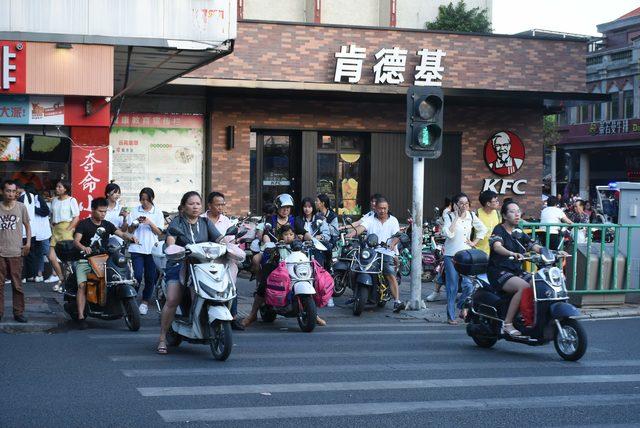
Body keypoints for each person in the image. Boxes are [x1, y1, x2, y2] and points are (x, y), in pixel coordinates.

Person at [157, 191, 222, 353]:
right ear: (184, 206)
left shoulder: (206, 222)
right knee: (172, 299)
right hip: (178, 265)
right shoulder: (177, 223)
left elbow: (220, 239)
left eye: (198, 204)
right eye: (191, 204)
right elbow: (170, 240)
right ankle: (162, 337)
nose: (195, 207)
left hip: (202, 266)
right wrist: (172, 248)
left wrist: (231, 243)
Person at [73, 197, 137, 329]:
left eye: (105, 211)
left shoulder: (107, 225)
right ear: (93, 210)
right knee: (82, 286)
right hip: (85, 260)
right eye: (101, 211)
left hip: (105, 260)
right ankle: (80, 316)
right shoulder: (83, 224)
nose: (103, 214)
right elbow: (76, 241)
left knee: (119, 279)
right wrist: (84, 248)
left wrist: (131, 238)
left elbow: (122, 234)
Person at [488, 200, 549, 337]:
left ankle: (528, 317)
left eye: (518, 211)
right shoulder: (499, 229)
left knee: (537, 283)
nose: (517, 214)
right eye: (512, 211)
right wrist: (511, 253)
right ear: (504, 215)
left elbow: (532, 246)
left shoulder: (518, 231)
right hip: (499, 271)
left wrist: (549, 252)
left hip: (515, 271)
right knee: (523, 287)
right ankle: (507, 323)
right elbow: (497, 246)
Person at [347, 197, 405, 313]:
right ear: (375, 208)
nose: (382, 211)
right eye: (380, 208)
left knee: (389, 273)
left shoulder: (393, 220)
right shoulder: (370, 219)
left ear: (388, 208)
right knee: (354, 269)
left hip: (386, 252)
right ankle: (356, 294)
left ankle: (396, 301)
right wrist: (350, 235)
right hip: (371, 252)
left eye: (384, 208)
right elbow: (361, 228)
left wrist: (392, 245)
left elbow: (397, 236)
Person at [442, 193, 487, 325]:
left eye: (466, 203)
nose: (464, 206)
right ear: (455, 204)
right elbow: (449, 234)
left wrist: (474, 242)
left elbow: (483, 229)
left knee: (469, 285)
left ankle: (462, 306)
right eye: (461, 203)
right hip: (451, 256)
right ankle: (451, 316)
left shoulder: (471, 216)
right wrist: (455, 217)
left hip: (466, 256)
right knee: (452, 286)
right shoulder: (448, 216)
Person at [202, 191, 244, 330]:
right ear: (209, 205)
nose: (220, 207)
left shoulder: (226, 221)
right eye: (217, 204)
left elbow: (231, 240)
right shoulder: (202, 219)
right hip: (204, 259)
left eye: (222, 205)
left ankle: (233, 316)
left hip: (224, 259)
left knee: (231, 284)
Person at [127, 188, 164, 316]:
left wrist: (149, 223)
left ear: (152, 199)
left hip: (151, 249)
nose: (144, 202)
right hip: (136, 248)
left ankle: (145, 302)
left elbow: (159, 233)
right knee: (136, 275)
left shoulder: (157, 212)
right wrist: (135, 224)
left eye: (146, 200)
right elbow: (130, 230)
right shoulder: (135, 210)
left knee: (150, 277)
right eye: (142, 199)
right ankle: (132, 299)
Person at [0, 180, 31, 323]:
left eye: (13, 191)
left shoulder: (21, 207)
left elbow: (27, 226)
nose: (11, 194)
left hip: (16, 252)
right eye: (8, 191)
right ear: (2, 192)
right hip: (0, 252)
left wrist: (28, 243)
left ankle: (18, 313)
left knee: (17, 285)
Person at [48, 180, 80, 292]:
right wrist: (52, 225)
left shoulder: (71, 200)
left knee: (67, 260)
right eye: (57, 186)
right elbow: (51, 215)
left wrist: (70, 228)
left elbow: (76, 216)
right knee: (51, 257)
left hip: (66, 229)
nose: (57, 188)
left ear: (65, 188)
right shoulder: (54, 200)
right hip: (56, 229)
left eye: (59, 187)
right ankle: (61, 278)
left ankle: (66, 284)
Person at [27, 185, 52, 283]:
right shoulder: (30, 200)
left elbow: (45, 211)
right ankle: (39, 274)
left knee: (47, 251)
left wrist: (32, 208)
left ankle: (55, 273)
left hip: (43, 231)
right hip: (35, 232)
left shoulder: (38, 198)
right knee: (39, 253)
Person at [16, 183, 37, 282]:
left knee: (21, 255)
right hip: (32, 230)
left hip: (23, 230)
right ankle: (32, 275)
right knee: (31, 255)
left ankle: (23, 276)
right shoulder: (31, 196)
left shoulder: (20, 199)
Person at [476, 190, 501, 255]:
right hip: (478, 252)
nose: (497, 203)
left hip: (494, 253)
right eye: (495, 201)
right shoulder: (476, 214)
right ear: (488, 203)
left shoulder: (498, 214)